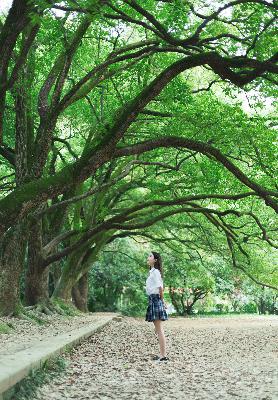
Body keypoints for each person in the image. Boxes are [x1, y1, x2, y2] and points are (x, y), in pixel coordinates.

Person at [145, 251, 169, 362]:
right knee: (157, 329)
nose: (148, 257)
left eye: (150, 256)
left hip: (156, 300)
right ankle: (161, 355)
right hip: (152, 300)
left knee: (159, 330)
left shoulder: (156, 272)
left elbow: (160, 288)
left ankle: (163, 356)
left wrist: (162, 301)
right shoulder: (152, 272)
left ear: (155, 260)